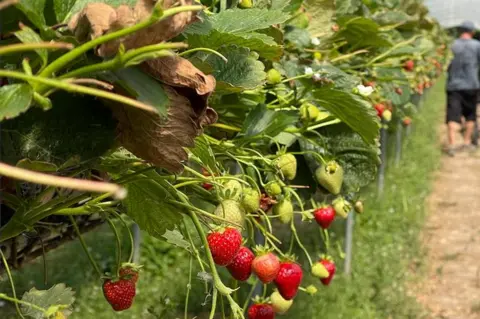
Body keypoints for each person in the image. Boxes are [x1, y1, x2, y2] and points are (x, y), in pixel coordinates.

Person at [446, 20, 480, 156]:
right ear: (472, 32)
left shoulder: (452, 45)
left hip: (453, 85)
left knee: (452, 116)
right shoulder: (477, 45)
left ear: (460, 31)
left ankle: (452, 145)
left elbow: (445, 64)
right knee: (471, 115)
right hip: (472, 85)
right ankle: (466, 142)